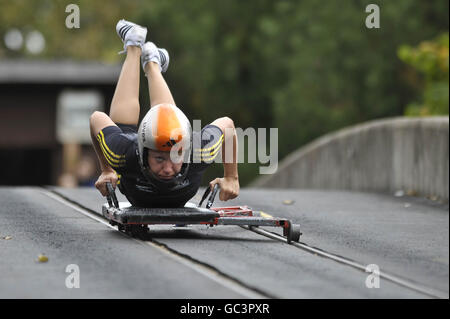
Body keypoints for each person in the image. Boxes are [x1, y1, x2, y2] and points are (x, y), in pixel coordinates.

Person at [90, 19, 239, 207]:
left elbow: (227, 124)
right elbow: (96, 119)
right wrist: (107, 169)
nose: (168, 169)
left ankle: (151, 61)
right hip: (132, 151)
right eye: (159, 158)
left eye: (176, 156)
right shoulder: (123, 154)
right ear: (143, 154)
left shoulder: (199, 151)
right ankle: (135, 48)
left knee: (169, 117)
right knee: (122, 126)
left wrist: (231, 177)